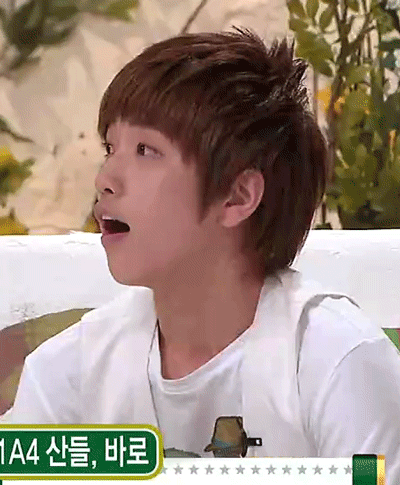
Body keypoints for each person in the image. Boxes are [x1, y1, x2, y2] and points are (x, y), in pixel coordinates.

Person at [3, 28, 400, 483]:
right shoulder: (69, 370)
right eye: (110, 147)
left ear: (237, 196)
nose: (106, 179)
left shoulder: (337, 362)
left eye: (146, 151)